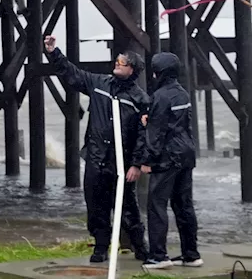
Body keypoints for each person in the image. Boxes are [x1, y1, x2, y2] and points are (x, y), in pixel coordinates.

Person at [44, 35, 149, 263]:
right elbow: (73, 75)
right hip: (96, 158)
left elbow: (143, 135)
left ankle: (141, 248)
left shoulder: (140, 99)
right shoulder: (99, 84)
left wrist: (136, 164)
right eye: (117, 61)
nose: (115, 64)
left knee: (128, 209)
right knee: (96, 207)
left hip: (122, 164)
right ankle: (101, 247)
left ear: (131, 69)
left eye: (120, 63)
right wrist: (54, 52)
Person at [136, 51, 201, 270]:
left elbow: (156, 133)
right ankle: (191, 254)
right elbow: (177, 123)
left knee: (156, 204)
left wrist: (146, 160)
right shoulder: (182, 93)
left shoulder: (160, 96)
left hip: (168, 158)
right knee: (184, 204)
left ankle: (158, 256)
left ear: (159, 73)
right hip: (186, 154)